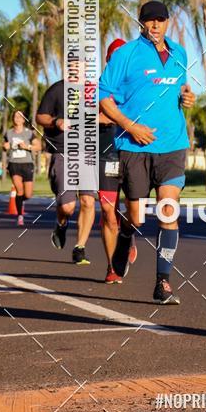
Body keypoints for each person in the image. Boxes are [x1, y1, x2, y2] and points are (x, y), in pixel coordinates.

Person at [98, 0, 195, 304]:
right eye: (149, 21)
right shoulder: (125, 54)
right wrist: (130, 126)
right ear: (141, 23)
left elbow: (180, 87)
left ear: (167, 23)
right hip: (133, 147)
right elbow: (103, 96)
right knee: (136, 217)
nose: (155, 26)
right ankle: (126, 238)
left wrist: (186, 96)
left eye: (160, 20)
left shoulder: (179, 53)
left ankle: (163, 282)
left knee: (168, 209)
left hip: (172, 145)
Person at [36, 76, 96, 264]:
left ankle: (80, 247)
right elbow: (40, 117)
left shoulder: (93, 90)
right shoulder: (57, 89)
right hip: (63, 152)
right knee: (67, 207)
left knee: (87, 200)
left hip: (87, 151)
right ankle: (61, 224)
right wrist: (56, 122)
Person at [98, 38, 131, 284]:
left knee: (133, 212)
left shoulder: (137, 83)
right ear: (109, 60)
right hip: (106, 155)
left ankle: (127, 237)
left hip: (133, 154)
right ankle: (112, 266)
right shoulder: (97, 87)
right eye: (114, 56)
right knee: (109, 212)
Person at [3, 110, 41, 225]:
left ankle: (20, 201)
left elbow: (38, 146)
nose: (17, 119)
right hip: (14, 164)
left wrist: (27, 146)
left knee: (28, 194)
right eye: (15, 116)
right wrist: (5, 147)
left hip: (27, 164)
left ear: (24, 120)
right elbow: (4, 147)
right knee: (19, 190)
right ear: (13, 119)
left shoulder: (28, 133)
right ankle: (20, 216)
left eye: (20, 117)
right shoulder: (8, 133)